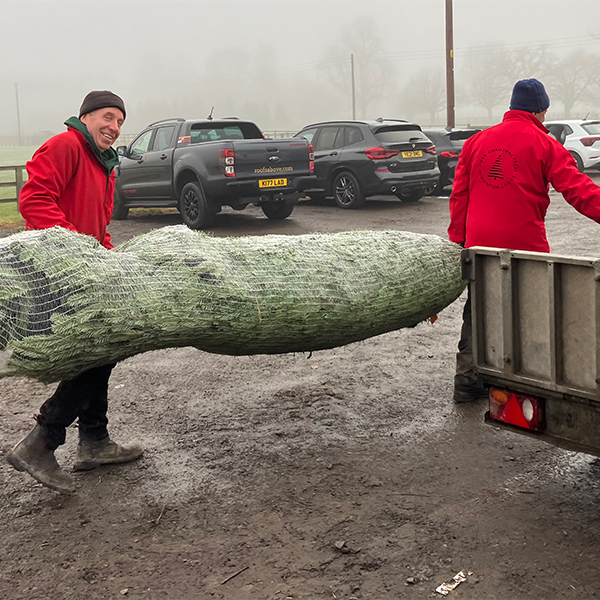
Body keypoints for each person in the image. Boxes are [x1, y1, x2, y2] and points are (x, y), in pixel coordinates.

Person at [6, 91, 144, 492]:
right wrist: (75, 247)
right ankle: (42, 441)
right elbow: (34, 200)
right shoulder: (66, 145)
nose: (114, 127)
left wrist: (109, 257)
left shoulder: (105, 164)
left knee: (103, 349)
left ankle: (94, 441)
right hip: (53, 268)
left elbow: (97, 225)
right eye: (107, 117)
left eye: (120, 121)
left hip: (84, 267)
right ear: (85, 117)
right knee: (96, 352)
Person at [448, 78, 600, 403]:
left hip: (480, 247)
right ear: (541, 110)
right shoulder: (545, 144)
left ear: (513, 107)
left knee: (477, 313)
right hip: (525, 247)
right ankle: (528, 384)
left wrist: (458, 241)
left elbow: (459, 194)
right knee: (531, 316)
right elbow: (578, 190)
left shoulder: (476, 142)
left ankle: (467, 381)